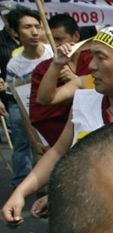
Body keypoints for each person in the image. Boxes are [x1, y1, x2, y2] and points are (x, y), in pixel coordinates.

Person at [1, 25, 113, 226]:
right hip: (86, 227)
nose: (91, 66)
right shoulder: (83, 102)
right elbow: (58, 152)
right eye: (92, 56)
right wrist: (22, 192)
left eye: (101, 57)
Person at [4, 6, 53, 188]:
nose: (34, 32)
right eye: (27, 27)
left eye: (36, 26)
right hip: (25, 108)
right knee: (22, 140)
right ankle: (22, 183)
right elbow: (18, 100)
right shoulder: (14, 65)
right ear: (15, 32)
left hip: (51, 105)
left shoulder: (53, 52)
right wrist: (32, 136)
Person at [30, 14, 91, 147]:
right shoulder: (44, 68)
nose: (55, 45)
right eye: (51, 40)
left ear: (75, 36)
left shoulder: (92, 60)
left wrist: (75, 80)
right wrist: (56, 65)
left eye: (59, 39)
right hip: (57, 132)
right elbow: (41, 104)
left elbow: (103, 92)